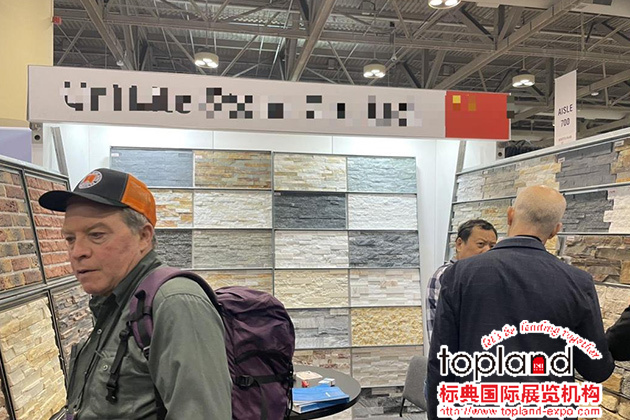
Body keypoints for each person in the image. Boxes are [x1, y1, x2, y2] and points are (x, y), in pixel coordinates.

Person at [39, 168, 232, 420]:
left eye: (96, 235)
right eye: (70, 239)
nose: (77, 252)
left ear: (143, 236)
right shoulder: (113, 301)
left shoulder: (174, 303)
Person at [427, 185, 614, 420]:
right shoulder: (578, 282)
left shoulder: (460, 274)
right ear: (555, 231)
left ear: (510, 215)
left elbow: (441, 361)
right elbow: (596, 369)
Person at [425, 219, 497, 343]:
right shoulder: (446, 275)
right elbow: (441, 332)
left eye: (492, 246)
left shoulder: (488, 275)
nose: (487, 251)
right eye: (481, 244)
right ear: (459, 244)